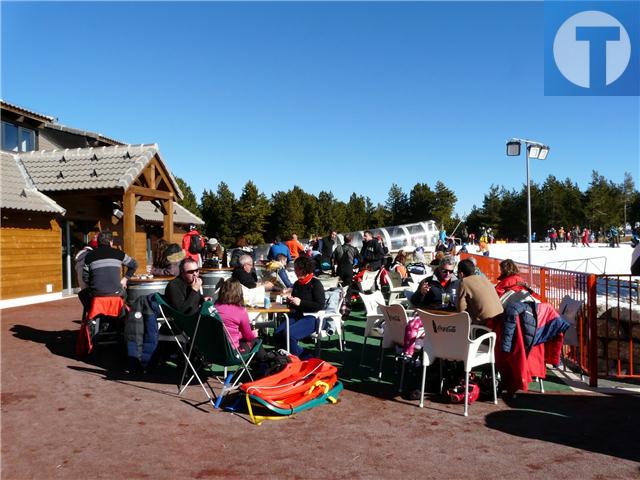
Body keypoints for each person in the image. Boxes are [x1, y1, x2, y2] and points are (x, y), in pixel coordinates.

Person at [276, 256, 325, 358]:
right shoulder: (297, 284)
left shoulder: (315, 283)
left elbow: (320, 305)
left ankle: (307, 358)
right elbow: (295, 300)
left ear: (303, 269)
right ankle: (287, 357)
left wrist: (301, 302)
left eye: (296, 268)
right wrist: (291, 300)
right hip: (297, 315)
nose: (294, 270)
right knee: (278, 334)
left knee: (290, 335)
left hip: (313, 317)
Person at [79, 231, 138, 311]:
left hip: (96, 293)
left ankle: (92, 314)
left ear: (98, 242)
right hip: (116, 293)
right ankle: (122, 314)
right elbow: (134, 264)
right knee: (126, 293)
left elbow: (85, 277)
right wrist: (125, 279)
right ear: (111, 242)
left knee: (82, 294)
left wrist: (95, 284)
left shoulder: (89, 256)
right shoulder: (119, 254)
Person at [215, 279, 260, 352]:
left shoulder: (214, 307)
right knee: (256, 341)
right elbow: (248, 337)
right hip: (232, 353)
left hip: (214, 351)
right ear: (239, 293)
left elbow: (227, 334)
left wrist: (239, 334)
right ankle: (268, 359)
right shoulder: (241, 311)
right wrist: (253, 334)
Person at [456, 258, 503, 325]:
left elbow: (461, 310)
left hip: (485, 324)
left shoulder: (464, 282)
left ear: (461, 274)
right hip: (500, 320)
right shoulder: (484, 279)